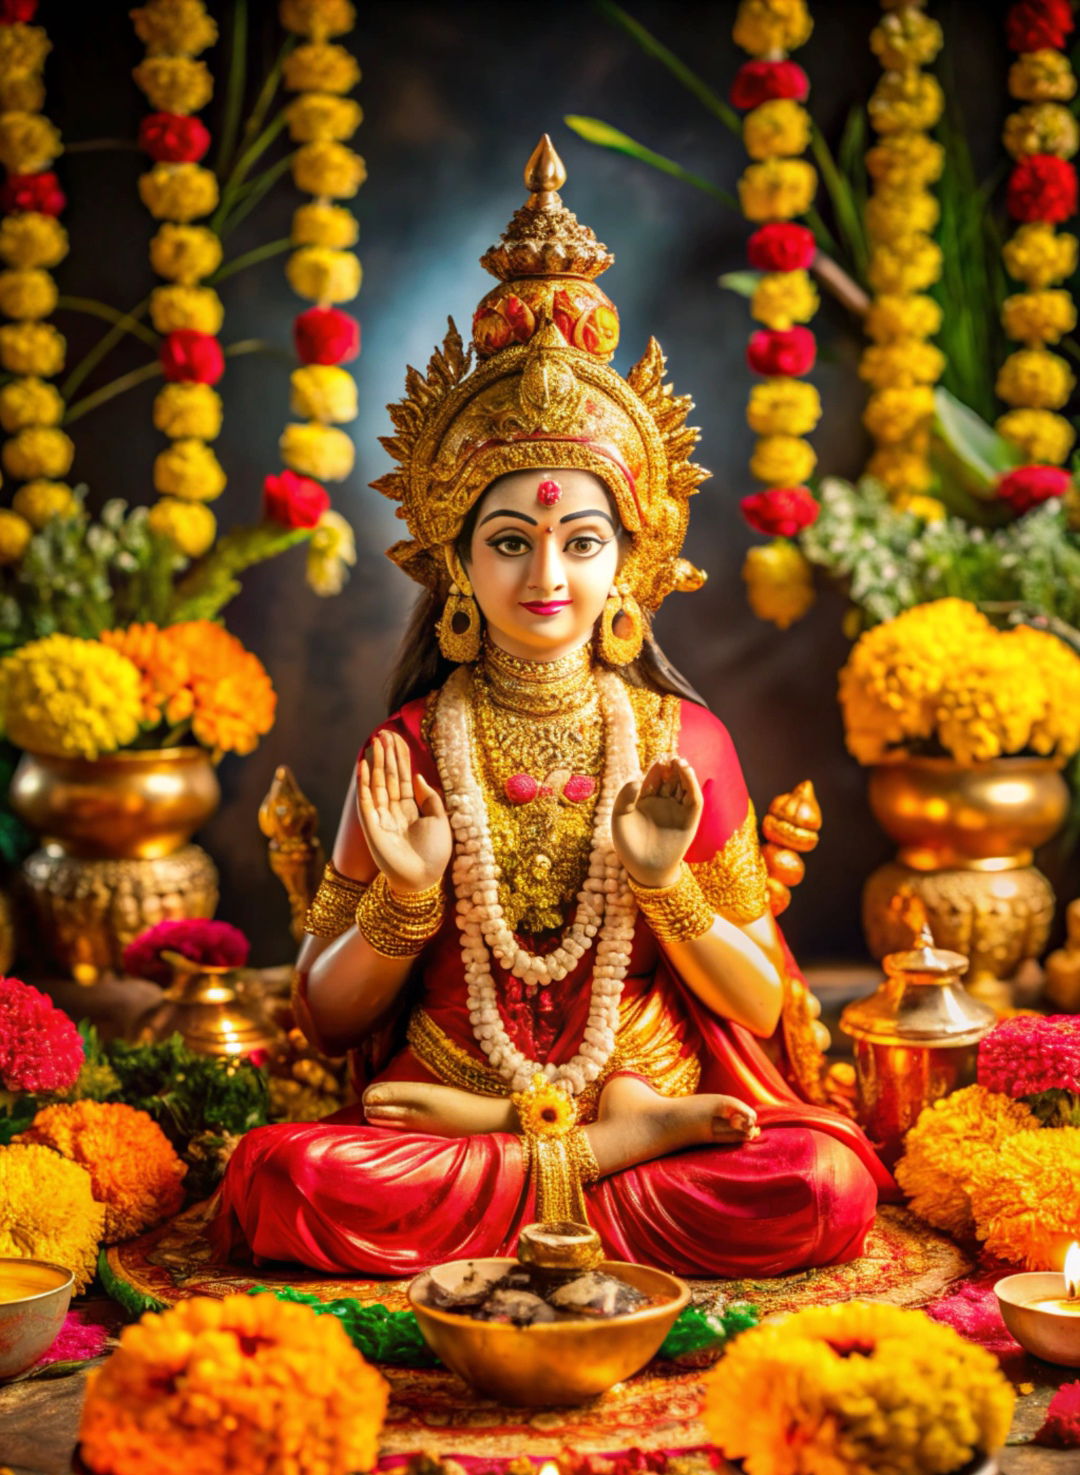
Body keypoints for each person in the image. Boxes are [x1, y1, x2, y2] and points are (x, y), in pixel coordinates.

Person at [214, 137, 891, 1279]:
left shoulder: (681, 740)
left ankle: (582, 1148)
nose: (547, 579)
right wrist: (409, 899)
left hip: (652, 1102)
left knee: (818, 1185)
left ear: (630, 562)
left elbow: (766, 1002)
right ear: (454, 566)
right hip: (450, 1101)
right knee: (287, 1180)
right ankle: (590, 1151)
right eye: (511, 543)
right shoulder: (413, 744)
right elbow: (327, 1022)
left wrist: (664, 884)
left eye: (581, 544)